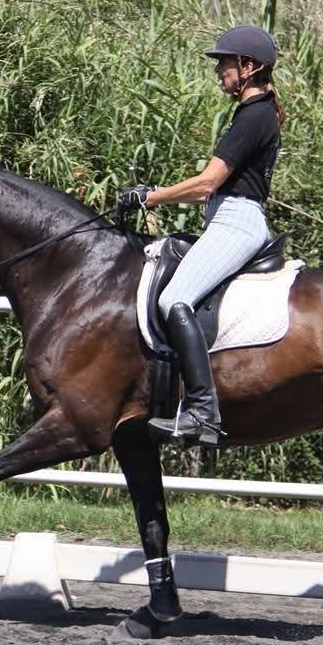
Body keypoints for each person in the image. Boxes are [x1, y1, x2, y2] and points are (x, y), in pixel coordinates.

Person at [116, 25, 284, 447]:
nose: (219, 71)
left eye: (225, 63)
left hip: (237, 222)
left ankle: (203, 413)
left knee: (174, 299)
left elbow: (208, 184)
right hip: (227, 218)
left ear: (248, 67)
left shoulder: (255, 114)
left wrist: (149, 198)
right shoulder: (252, 112)